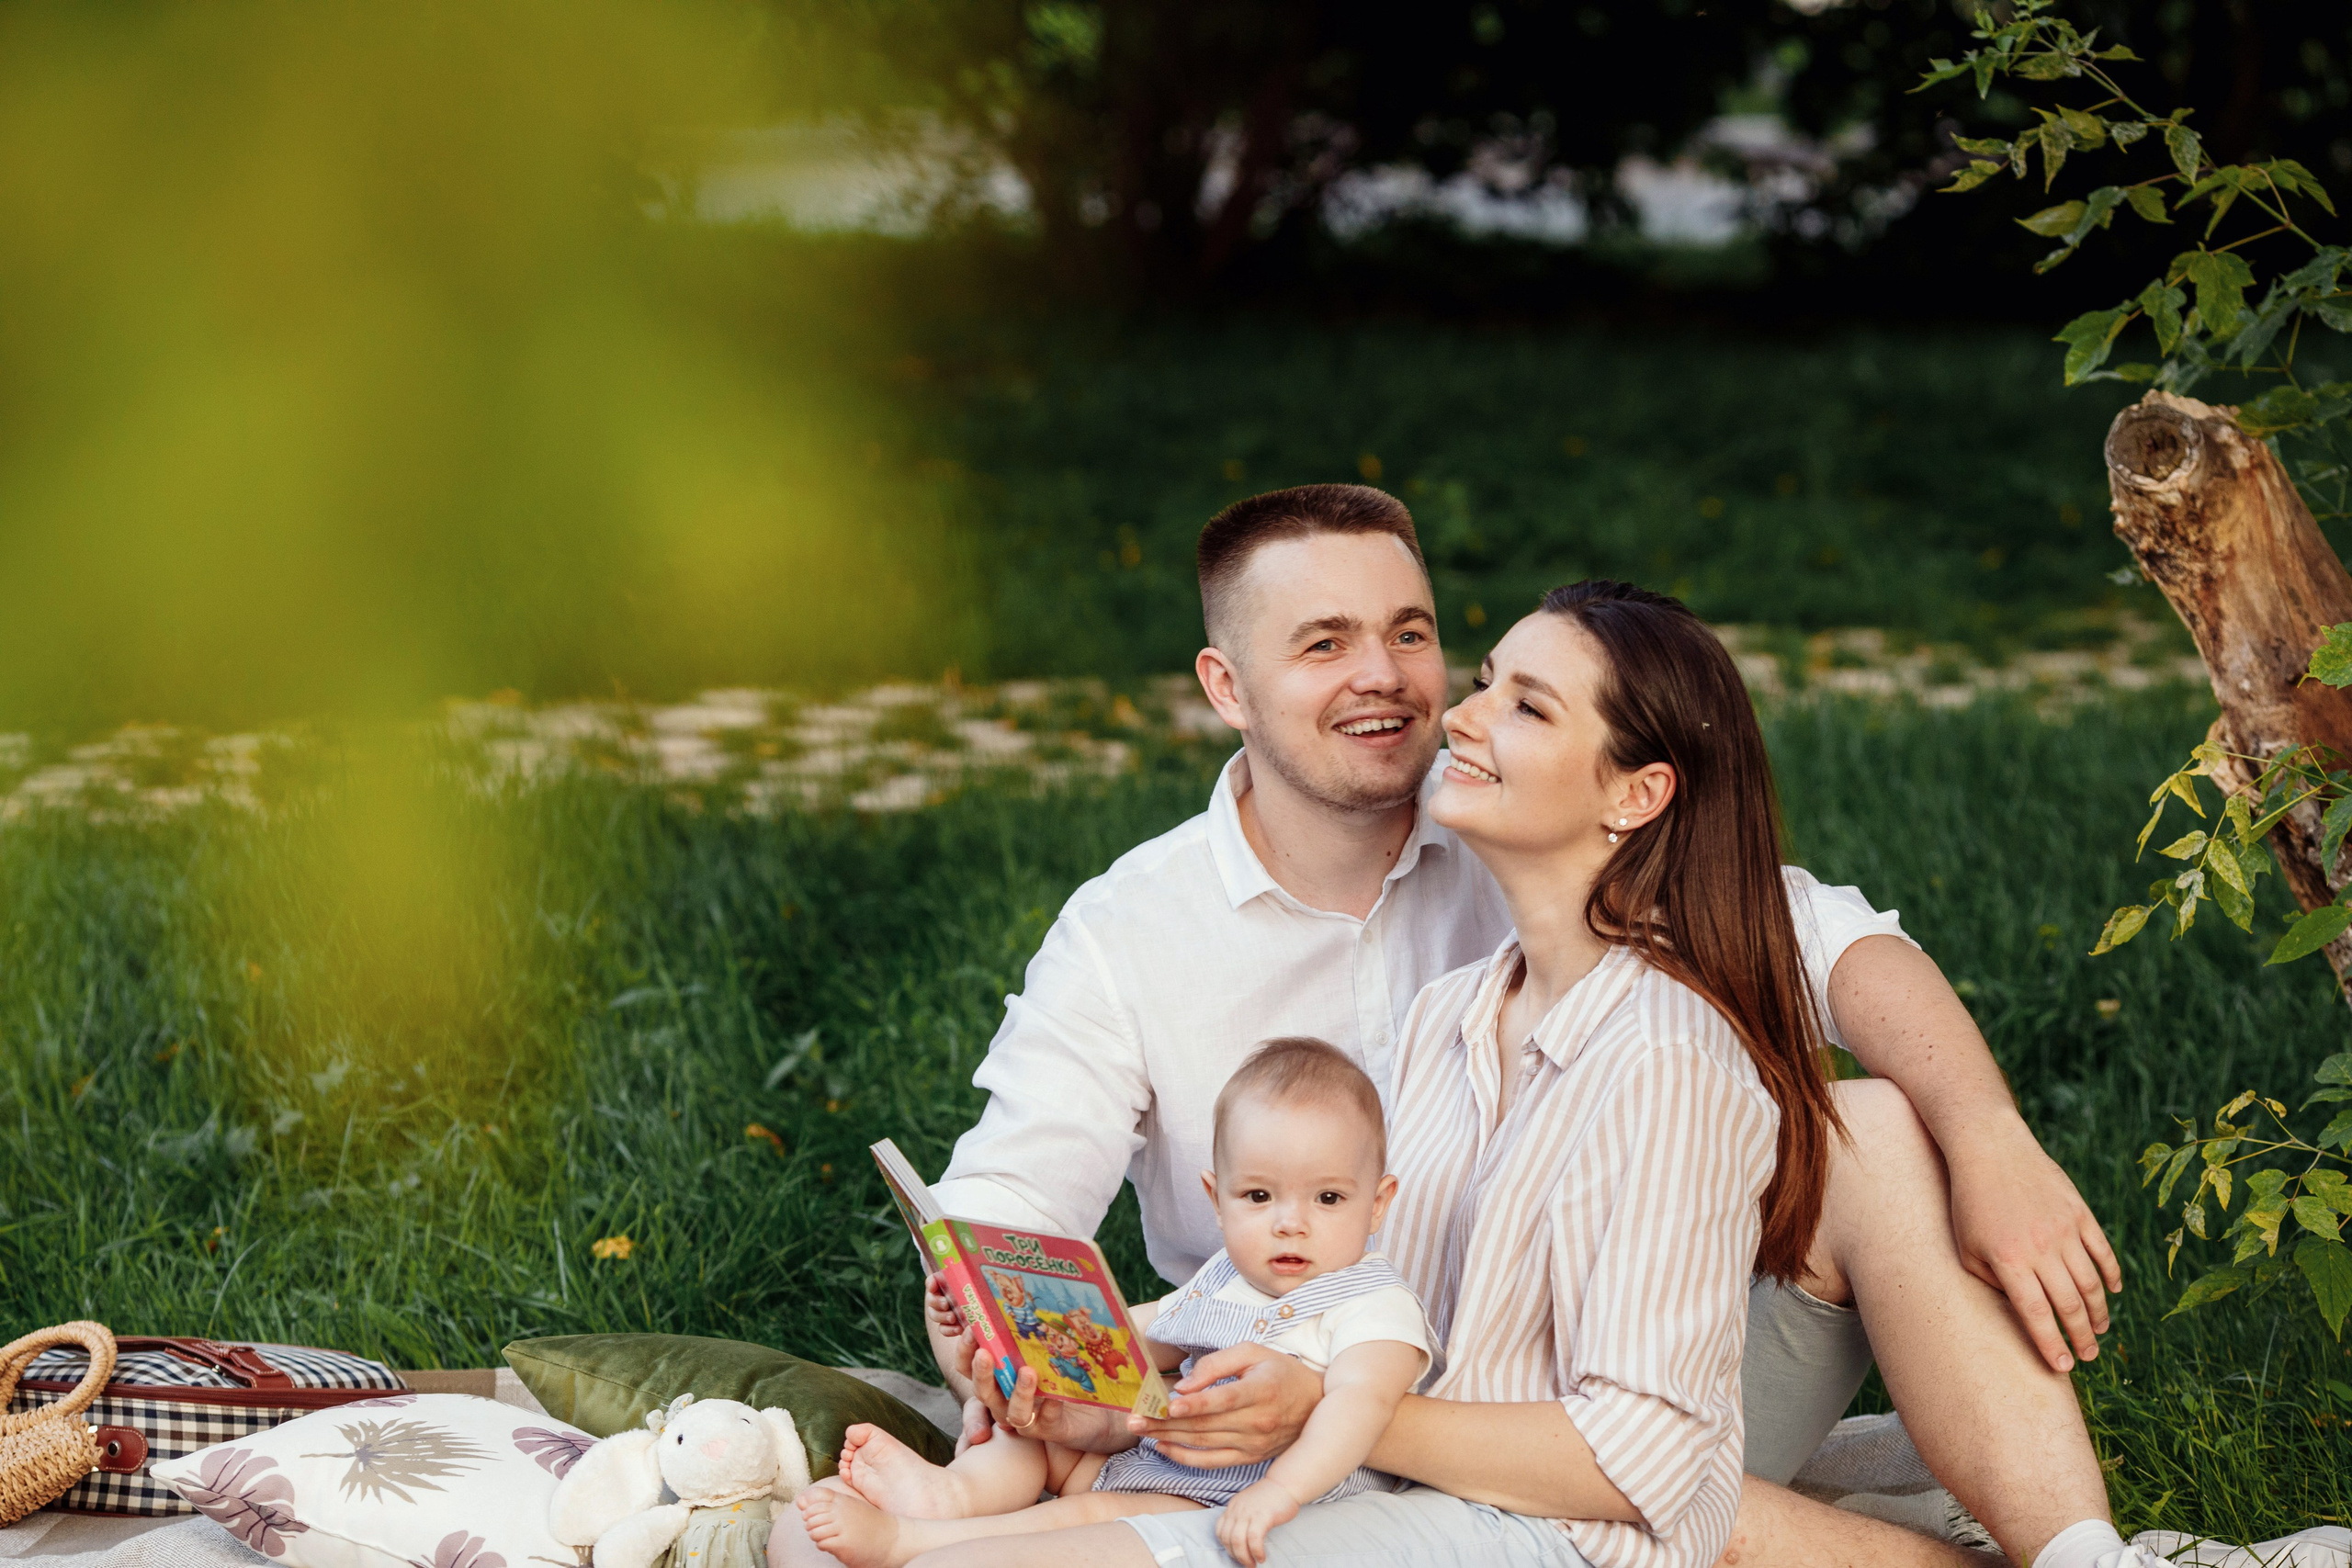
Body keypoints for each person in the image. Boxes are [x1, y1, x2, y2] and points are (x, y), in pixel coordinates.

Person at [768, 485, 2130, 1568]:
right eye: (1324, 642)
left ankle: (2082, 1553)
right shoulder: (1143, 929)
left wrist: (1996, 1137)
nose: (1396, 681)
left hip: (1578, 1377)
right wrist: (999, 1324)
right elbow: (1015, 1188)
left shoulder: (1529, 820)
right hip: (1329, 1369)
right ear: (1225, 687)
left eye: (1412, 631)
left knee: (1879, 1122)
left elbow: (1838, 946)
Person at [791, 1038, 1432, 1568]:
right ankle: (947, 1493)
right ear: (1218, 1197)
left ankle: (913, 1542)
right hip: (1141, 1449)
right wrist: (997, 1320)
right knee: (1034, 1426)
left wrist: (1279, 1491)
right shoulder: (1222, 1279)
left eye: (1327, 1199)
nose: (1290, 1223)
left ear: (1378, 1201)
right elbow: (1127, 1334)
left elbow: (1362, 1407)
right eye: (1260, 1196)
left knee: (1084, 1515)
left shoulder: (1371, 1302)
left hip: (1227, 1496)